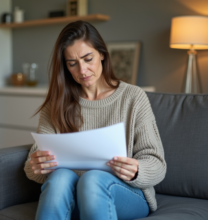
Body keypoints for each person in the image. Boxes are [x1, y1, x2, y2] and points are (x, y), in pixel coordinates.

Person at [24, 20, 166, 220]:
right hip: (72, 196)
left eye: (87, 58)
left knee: (92, 179)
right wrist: (36, 165)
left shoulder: (133, 97)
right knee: (59, 178)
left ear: (102, 54)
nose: (82, 70)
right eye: (72, 64)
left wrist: (136, 170)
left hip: (125, 193)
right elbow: (33, 164)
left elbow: (157, 164)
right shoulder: (57, 103)